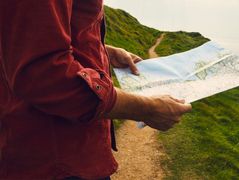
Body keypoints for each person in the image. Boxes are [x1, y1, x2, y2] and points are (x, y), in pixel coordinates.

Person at [0, 0, 192, 179]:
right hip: (54, 160)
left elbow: (29, 37)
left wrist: (104, 51)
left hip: (63, 151)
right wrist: (147, 109)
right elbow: (45, 74)